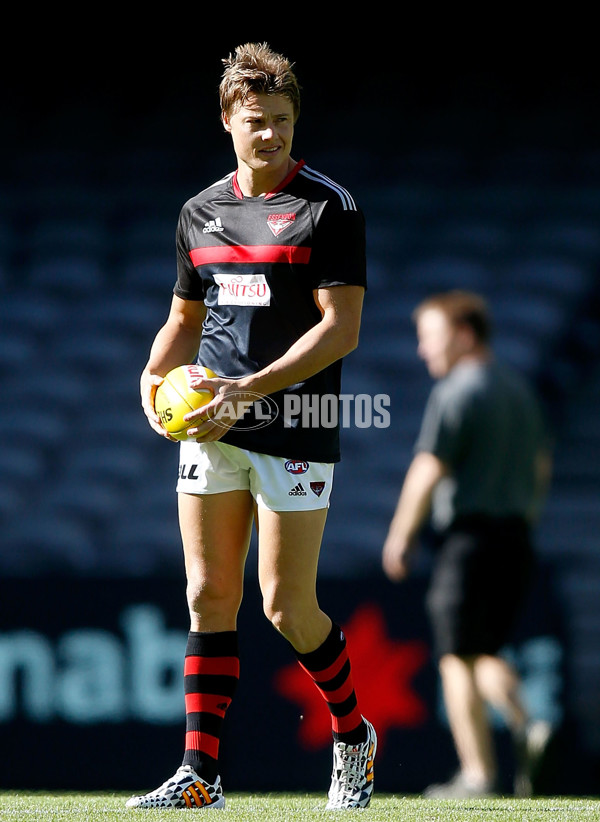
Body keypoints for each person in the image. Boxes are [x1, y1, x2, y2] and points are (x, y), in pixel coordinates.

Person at [126, 43, 376, 811]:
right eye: (256, 122)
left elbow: (342, 330)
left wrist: (253, 388)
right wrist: (149, 377)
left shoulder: (328, 207)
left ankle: (353, 735)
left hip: (297, 421)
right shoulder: (199, 211)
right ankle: (199, 775)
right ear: (228, 121)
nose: (270, 135)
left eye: (283, 121)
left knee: (285, 607)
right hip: (211, 426)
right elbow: (183, 318)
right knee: (207, 594)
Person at [382, 290, 552, 798]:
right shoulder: (519, 391)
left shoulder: (458, 391)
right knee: (482, 650)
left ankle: (479, 773)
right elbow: (541, 467)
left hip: (470, 541)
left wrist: (400, 535)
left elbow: (430, 464)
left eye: (430, 337)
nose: (422, 350)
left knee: (457, 655)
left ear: (464, 335)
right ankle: (532, 725)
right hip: (517, 537)